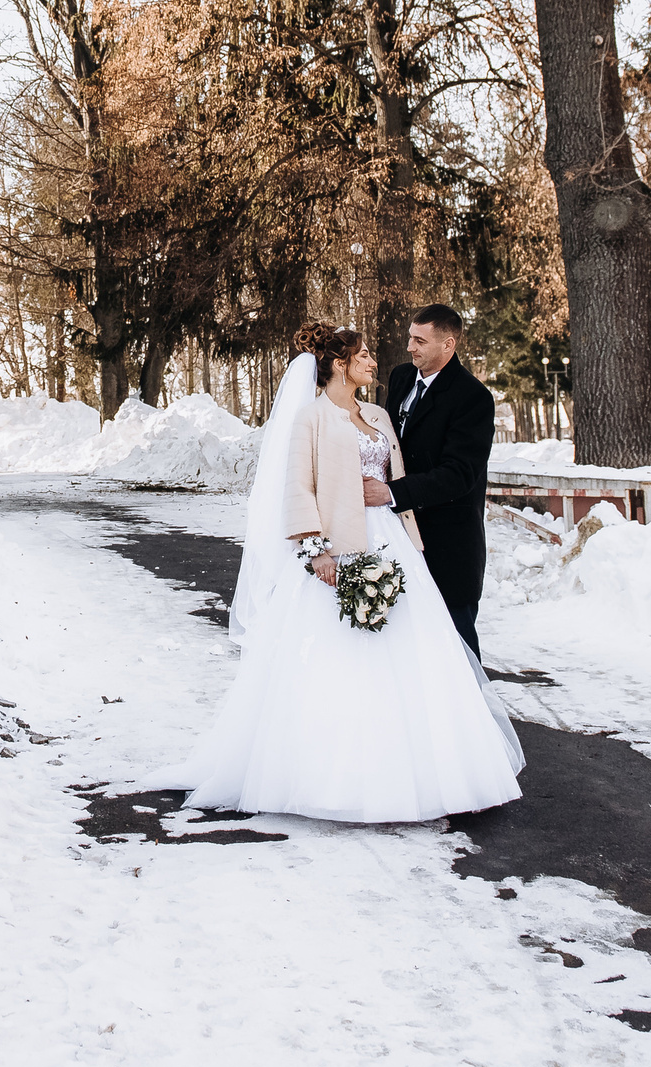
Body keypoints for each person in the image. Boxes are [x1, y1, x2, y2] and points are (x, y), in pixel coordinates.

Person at [155, 322, 522, 824]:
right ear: (339, 364)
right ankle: (337, 776)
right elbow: (298, 490)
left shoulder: (377, 414)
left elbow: (400, 476)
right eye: (364, 355)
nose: (377, 361)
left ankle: (423, 770)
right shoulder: (311, 419)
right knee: (341, 654)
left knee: (413, 649)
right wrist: (315, 550)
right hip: (339, 546)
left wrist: (399, 511)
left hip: (395, 541)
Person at [380, 304, 497, 658]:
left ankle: (475, 713)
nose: (410, 347)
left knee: (456, 648)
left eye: (420, 341)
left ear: (448, 345)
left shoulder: (473, 398)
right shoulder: (401, 378)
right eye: (410, 338)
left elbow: (459, 474)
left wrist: (390, 493)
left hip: (448, 545)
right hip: (399, 538)